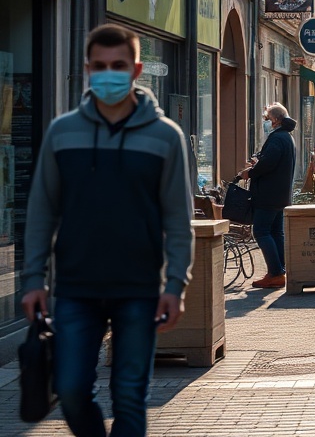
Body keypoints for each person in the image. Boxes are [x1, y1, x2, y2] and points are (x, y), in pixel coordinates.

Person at [21, 23, 194, 437]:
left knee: (130, 397)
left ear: (136, 70)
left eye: (118, 66)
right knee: (70, 390)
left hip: (139, 288)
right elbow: (42, 210)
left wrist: (175, 285)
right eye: (99, 66)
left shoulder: (165, 136)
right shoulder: (63, 132)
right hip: (75, 287)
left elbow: (177, 218)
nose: (108, 74)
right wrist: (33, 279)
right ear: (87, 69)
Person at [239, 102, 296, 289]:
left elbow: (269, 163)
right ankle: (280, 270)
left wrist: (250, 172)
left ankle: (275, 272)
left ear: (276, 120)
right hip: (280, 194)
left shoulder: (277, 138)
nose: (265, 122)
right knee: (276, 232)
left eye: (267, 118)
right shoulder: (286, 137)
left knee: (261, 231)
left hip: (268, 194)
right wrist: (259, 162)